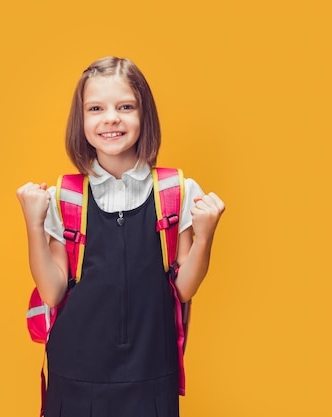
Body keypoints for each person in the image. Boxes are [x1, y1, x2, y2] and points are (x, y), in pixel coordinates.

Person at [16, 56, 225, 417]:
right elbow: (52, 291)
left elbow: (185, 288)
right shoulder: (64, 197)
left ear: (145, 116)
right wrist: (33, 224)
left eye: (125, 106)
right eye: (96, 108)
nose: (111, 118)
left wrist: (205, 236)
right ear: (80, 121)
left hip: (150, 377)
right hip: (75, 378)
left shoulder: (176, 190)